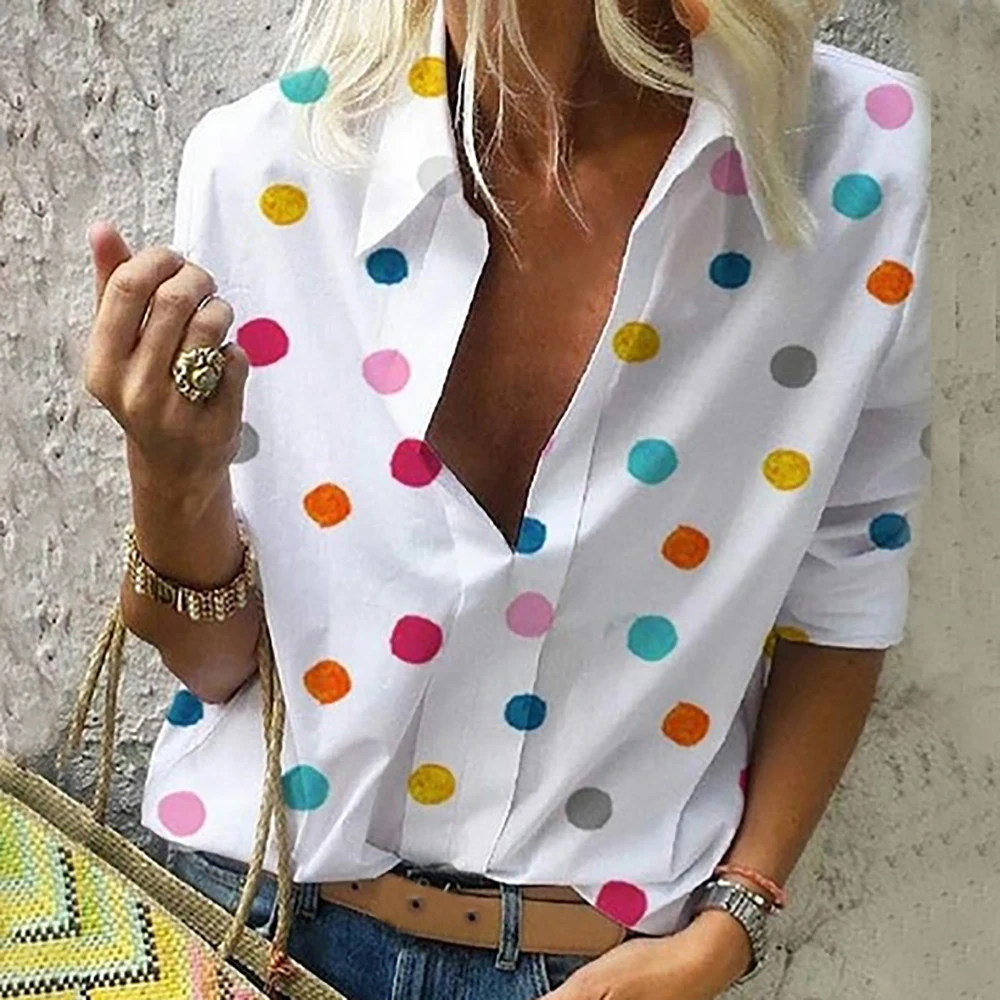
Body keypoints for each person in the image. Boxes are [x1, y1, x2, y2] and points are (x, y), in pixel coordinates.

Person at [83, 0, 930, 997]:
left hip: (593, 966)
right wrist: (172, 474)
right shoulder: (270, 162)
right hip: (249, 925)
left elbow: (844, 585)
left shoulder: (855, 156)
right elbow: (217, 666)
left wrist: (728, 926)